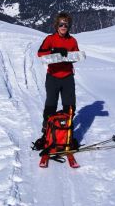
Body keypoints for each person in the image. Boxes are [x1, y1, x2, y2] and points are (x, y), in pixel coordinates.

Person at [33, 12, 79, 149]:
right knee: (50, 106)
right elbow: (40, 53)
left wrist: (69, 55)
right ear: (56, 26)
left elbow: (76, 56)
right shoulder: (50, 39)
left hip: (67, 78)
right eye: (61, 24)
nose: (63, 26)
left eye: (66, 24)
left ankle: (68, 134)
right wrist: (54, 51)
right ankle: (46, 134)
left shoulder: (72, 41)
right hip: (53, 77)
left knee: (69, 107)